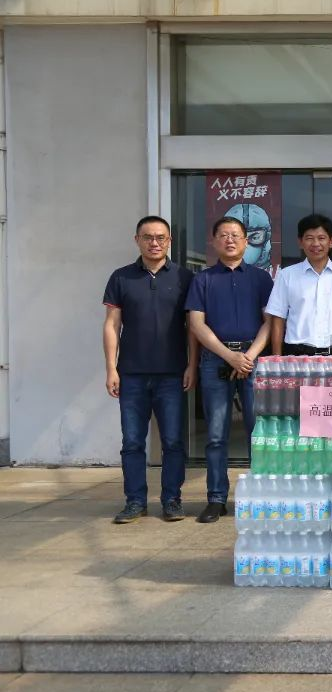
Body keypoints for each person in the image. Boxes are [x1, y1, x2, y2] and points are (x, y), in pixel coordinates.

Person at [102, 216, 197, 524]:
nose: (154, 243)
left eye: (160, 237)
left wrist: (192, 364)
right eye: (148, 237)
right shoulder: (121, 277)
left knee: (173, 442)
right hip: (131, 375)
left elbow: (193, 327)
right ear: (137, 240)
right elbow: (112, 325)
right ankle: (135, 501)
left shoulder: (184, 277)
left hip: (172, 374)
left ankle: (172, 500)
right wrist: (111, 369)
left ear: (169, 241)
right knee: (132, 442)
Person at [186, 216, 274, 524]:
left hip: (254, 359)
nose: (230, 240)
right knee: (215, 434)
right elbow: (196, 323)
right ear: (213, 242)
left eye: (236, 235)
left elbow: (270, 322)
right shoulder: (203, 279)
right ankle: (216, 499)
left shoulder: (261, 279)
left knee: (258, 433)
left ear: (246, 241)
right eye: (223, 235)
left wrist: (247, 356)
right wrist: (229, 356)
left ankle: (261, 499)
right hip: (215, 360)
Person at [266, 214, 332, 356]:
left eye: (321, 238)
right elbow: (278, 319)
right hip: (296, 356)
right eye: (309, 238)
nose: (316, 244)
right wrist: (277, 359)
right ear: (300, 242)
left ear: (331, 241)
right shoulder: (287, 275)